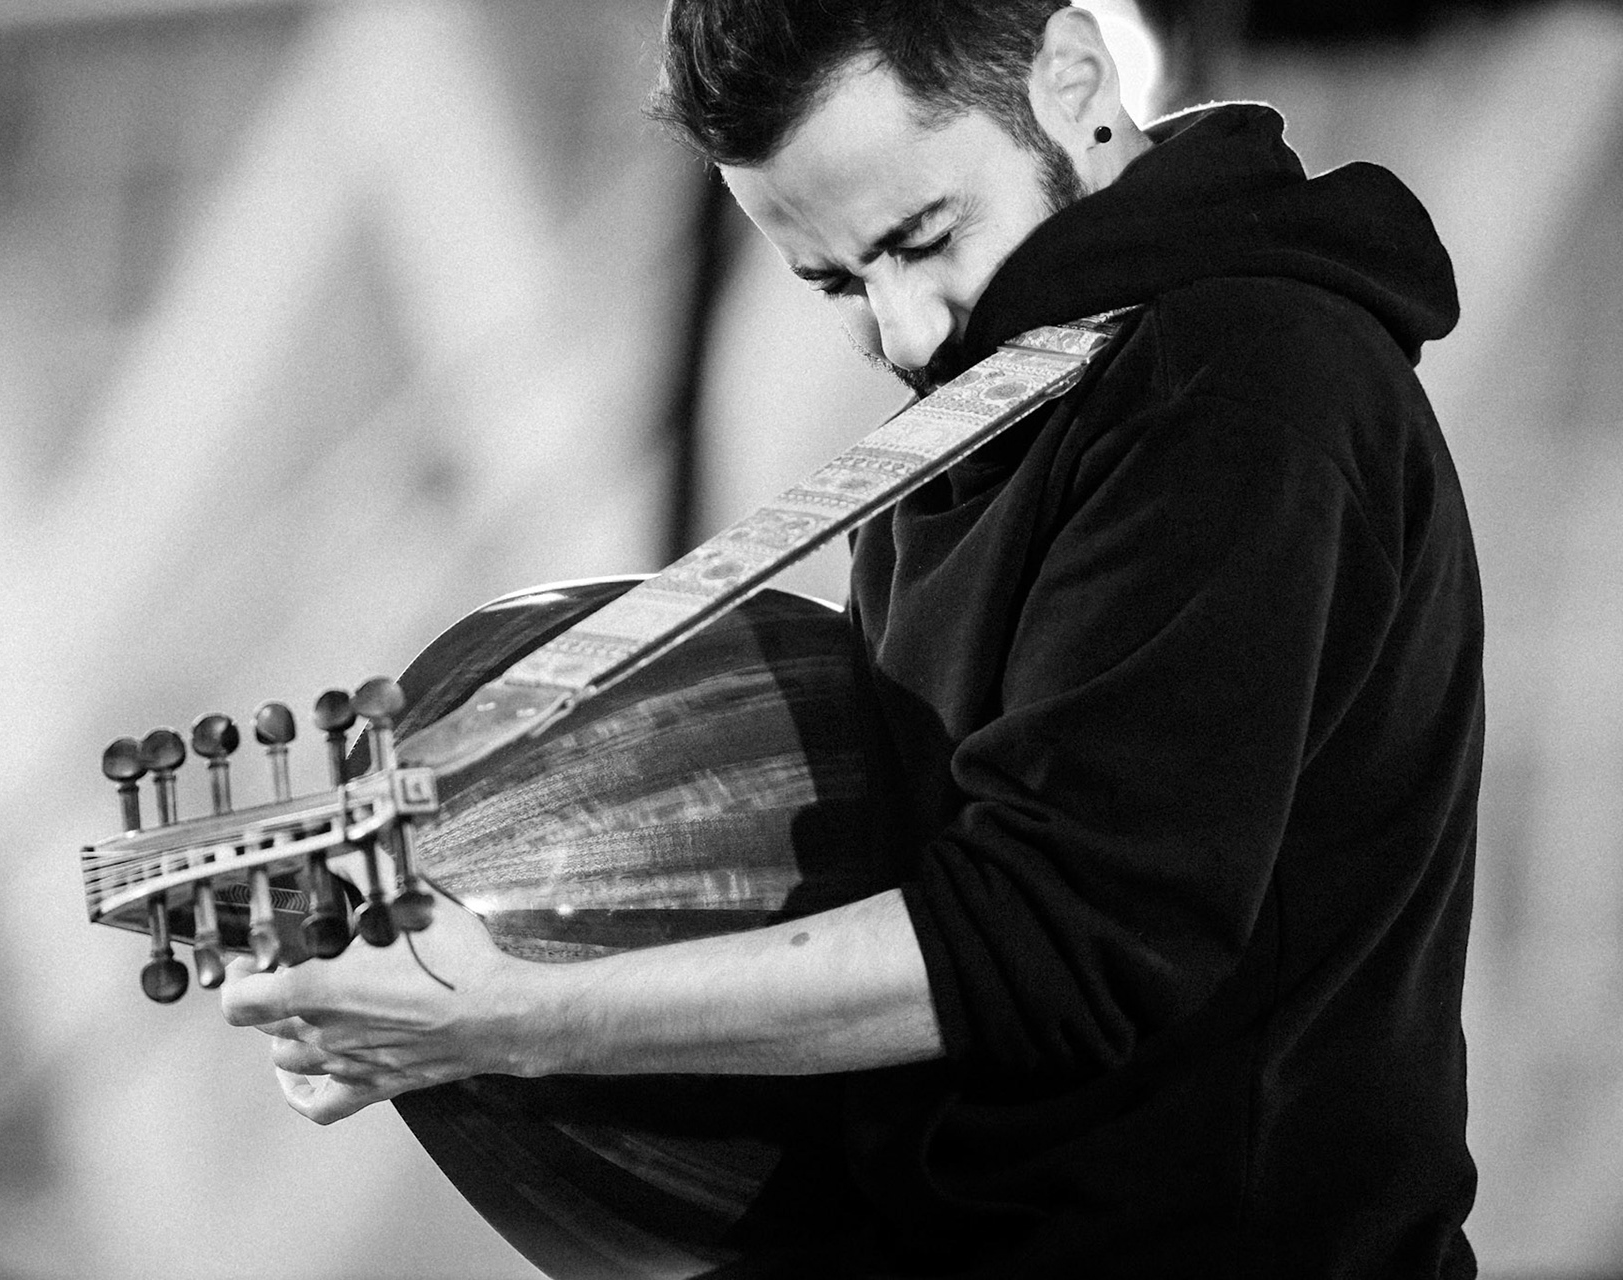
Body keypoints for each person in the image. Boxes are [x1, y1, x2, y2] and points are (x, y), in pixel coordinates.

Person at [221, 2, 1482, 1275]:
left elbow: (1060, 941)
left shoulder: (1240, 378)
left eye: (923, 237)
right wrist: (429, 999)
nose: (908, 329)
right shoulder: (1015, 388)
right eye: (834, 283)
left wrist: (518, 1016)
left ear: (1074, 77)